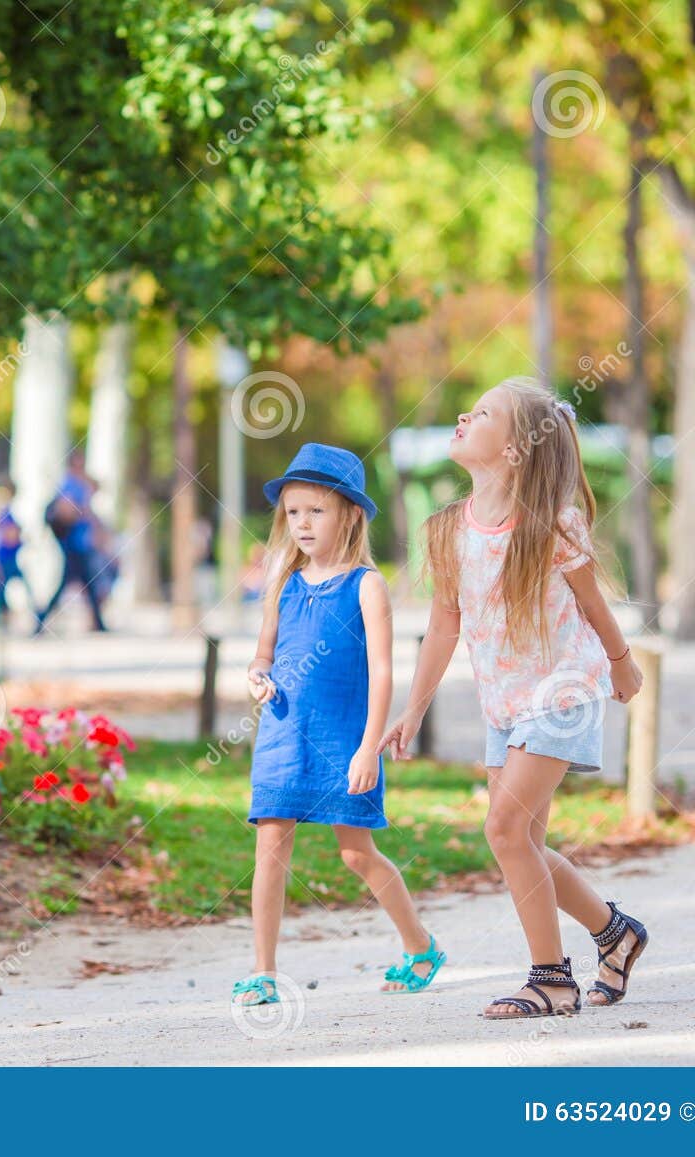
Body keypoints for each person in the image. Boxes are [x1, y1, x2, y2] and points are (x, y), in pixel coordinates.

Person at [381, 377, 650, 1019]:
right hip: (504, 705)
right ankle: (616, 933)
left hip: (564, 691)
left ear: (514, 450)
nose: (462, 416)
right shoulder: (448, 530)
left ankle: (550, 979)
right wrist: (414, 708)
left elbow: (592, 603)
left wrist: (622, 662)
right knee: (523, 839)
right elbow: (445, 625)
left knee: (502, 829)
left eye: (482, 414)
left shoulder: (553, 523)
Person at [234, 443, 445, 1007]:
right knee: (270, 846)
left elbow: (382, 674)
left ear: (350, 513)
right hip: (282, 736)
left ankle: (420, 946)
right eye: (294, 511)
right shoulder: (281, 580)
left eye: (316, 510)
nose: (302, 522)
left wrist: (368, 747)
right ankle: (263, 972)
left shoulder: (367, 585)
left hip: (343, 741)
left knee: (356, 854)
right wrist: (257, 675)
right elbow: (263, 653)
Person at [35, 452, 108, 634]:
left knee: (87, 583)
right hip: (73, 543)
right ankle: (40, 621)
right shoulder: (70, 484)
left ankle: (98, 623)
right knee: (76, 584)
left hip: (79, 542)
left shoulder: (76, 484)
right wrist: (86, 515)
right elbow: (68, 510)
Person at [0, 484, 33, 616]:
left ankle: (31, 613)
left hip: (5, 558)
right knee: (1, 591)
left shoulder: (5, 513)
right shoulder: (4, 513)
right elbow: (9, 537)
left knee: (4, 589)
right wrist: (22, 539)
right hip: (3, 558)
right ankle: (1, 618)